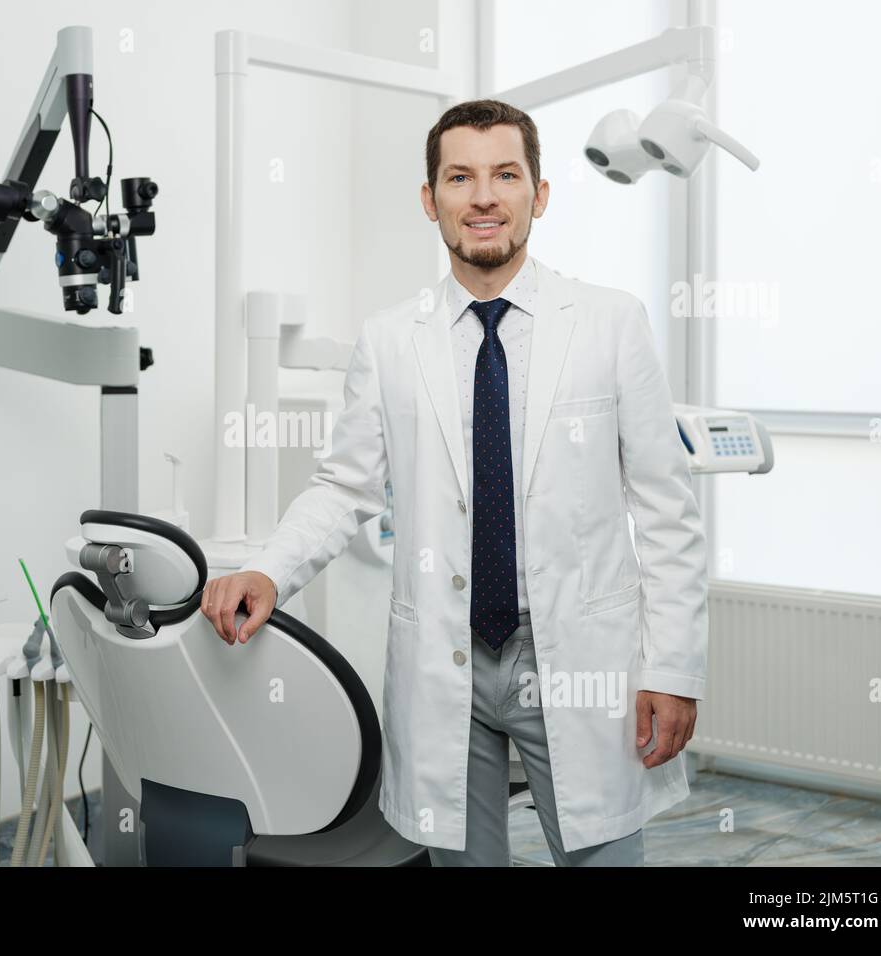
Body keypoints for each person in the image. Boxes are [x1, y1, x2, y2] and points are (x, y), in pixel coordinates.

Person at [199, 99, 708, 867]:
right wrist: (270, 568)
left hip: (573, 655)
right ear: (430, 199)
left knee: (602, 856)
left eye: (505, 174)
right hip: (448, 661)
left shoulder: (610, 324)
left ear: (538, 195)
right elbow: (344, 487)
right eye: (460, 176)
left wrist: (672, 668)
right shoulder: (389, 341)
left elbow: (667, 510)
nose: (483, 197)